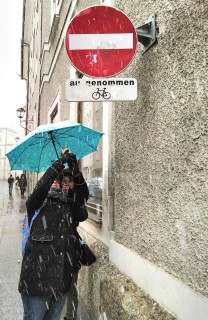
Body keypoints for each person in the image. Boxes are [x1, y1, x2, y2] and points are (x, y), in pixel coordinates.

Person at [19, 150, 89, 320]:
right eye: (57, 181)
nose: (59, 184)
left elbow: (83, 200)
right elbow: (40, 188)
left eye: (63, 181)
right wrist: (58, 164)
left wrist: (76, 171)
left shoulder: (68, 205)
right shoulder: (37, 203)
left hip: (61, 280)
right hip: (38, 280)